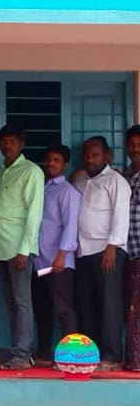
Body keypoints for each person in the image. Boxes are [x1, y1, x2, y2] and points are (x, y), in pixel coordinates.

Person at [0, 123, 44, 370]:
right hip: (2, 247)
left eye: (12, 141)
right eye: (4, 141)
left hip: (19, 249)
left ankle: (22, 355)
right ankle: (17, 352)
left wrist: (25, 249)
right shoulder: (2, 172)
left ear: (21, 144)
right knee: (11, 301)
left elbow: (34, 213)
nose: (7, 145)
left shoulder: (31, 171)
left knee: (22, 301)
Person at [76, 136, 130, 371]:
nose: (90, 158)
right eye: (87, 154)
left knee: (109, 303)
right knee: (86, 303)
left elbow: (121, 215)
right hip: (83, 252)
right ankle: (90, 353)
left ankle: (111, 356)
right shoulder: (79, 179)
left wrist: (112, 246)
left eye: (95, 154)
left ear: (107, 156)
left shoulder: (116, 181)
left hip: (107, 252)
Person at [32, 145, 80, 367]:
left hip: (58, 261)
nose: (51, 163)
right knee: (42, 309)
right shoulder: (43, 189)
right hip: (39, 261)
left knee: (63, 309)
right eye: (49, 159)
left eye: (56, 160)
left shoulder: (68, 192)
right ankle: (43, 354)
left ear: (65, 164)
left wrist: (62, 255)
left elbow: (70, 226)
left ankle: (69, 356)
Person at [125, 125, 140, 371]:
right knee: (130, 308)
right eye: (133, 145)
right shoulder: (124, 176)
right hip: (126, 252)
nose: (136, 149)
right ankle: (132, 359)